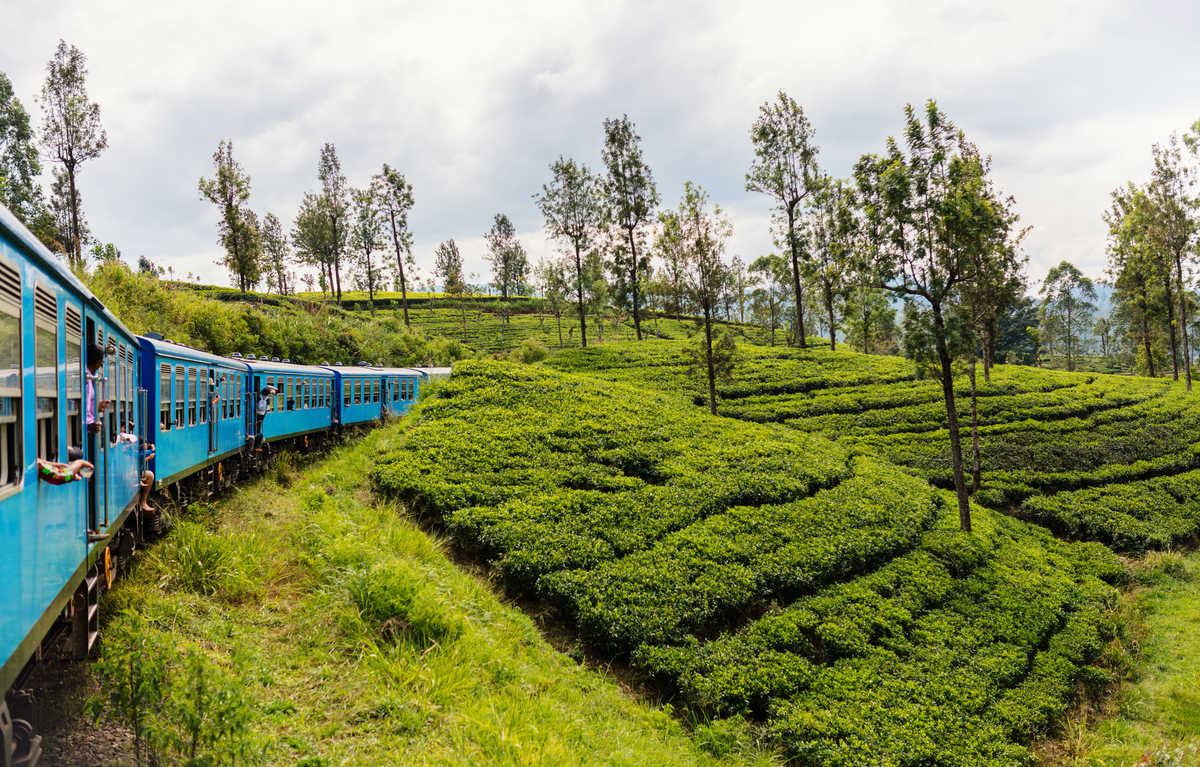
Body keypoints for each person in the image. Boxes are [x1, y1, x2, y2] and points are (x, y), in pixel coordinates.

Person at [254, 385, 275, 451]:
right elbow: (267, 409)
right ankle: (257, 445)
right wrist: (262, 418)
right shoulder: (267, 399)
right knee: (259, 430)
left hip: (256, 413)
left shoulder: (258, 397)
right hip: (262, 414)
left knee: (257, 428)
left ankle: (256, 430)